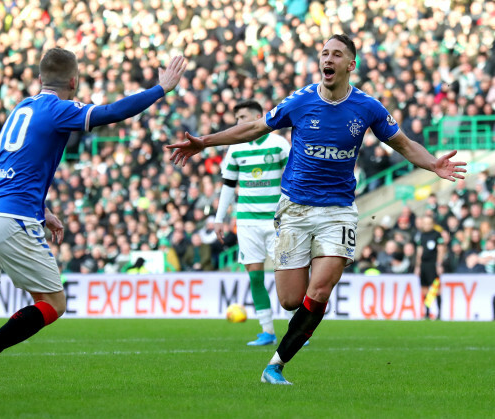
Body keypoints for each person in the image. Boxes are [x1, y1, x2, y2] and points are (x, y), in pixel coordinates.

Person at [167, 34, 466, 385]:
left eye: (336, 54)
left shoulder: (367, 107)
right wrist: (205, 141)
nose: (328, 58)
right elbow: (255, 127)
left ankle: (275, 365)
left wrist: (432, 163)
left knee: (320, 291)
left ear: (350, 65)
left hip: (338, 211)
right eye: (324, 53)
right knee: (291, 300)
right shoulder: (300, 101)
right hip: (295, 208)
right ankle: (310, 311)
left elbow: (402, 143)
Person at [0, 48, 187, 398]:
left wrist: (43, 208)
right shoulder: (59, 109)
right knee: (54, 303)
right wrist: (160, 89)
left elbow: (8, 164)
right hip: (13, 217)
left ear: (40, 79)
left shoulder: (21, 108)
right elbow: (112, 112)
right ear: (74, 82)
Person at [214, 100, 290, 346]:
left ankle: (295, 329)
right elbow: (228, 185)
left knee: (286, 276)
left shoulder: (279, 144)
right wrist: (219, 218)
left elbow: (293, 178)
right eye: (236, 118)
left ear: (258, 117)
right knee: (255, 277)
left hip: (276, 221)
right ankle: (267, 330)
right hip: (246, 222)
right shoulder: (235, 148)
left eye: (243, 117)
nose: (238, 122)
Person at [414, 215, 446, 320]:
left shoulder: (437, 235)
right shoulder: (421, 235)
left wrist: (439, 264)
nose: (427, 225)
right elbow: (419, 251)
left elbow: (441, 250)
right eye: (425, 223)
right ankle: (427, 312)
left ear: (432, 224)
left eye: (429, 223)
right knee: (424, 288)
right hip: (424, 264)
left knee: (436, 288)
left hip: (433, 264)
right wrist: (418, 266)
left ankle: (439, 313)